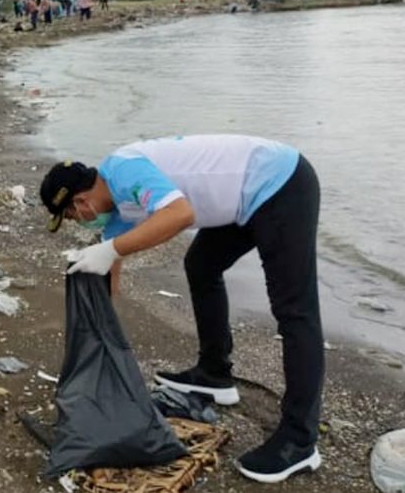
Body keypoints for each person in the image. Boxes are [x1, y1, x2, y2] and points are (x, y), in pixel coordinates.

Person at [39, 135, 323, 484]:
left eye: (70, 217)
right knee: (201, 264)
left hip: (280, 183)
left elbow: (179, 214)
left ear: (79, 203)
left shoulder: (125, 172)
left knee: (295, 310)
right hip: (239, 202)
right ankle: (214, 374)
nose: (77, 221)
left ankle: (300, 439)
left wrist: (111, 250)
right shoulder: (117, 207)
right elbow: (112, 261)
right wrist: (100, 331)